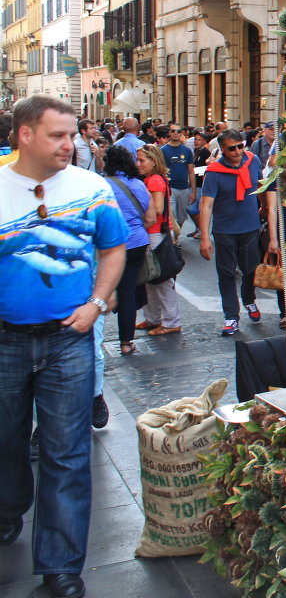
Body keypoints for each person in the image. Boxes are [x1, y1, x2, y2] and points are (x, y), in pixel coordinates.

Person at [0, 96, 127, 598]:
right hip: (4, 339)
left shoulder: (93, 188)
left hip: (67, 341)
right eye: (58, 135)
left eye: (72, 135)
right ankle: (9, 507)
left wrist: (97, 302)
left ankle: (60, 566)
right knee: (6, 441)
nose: (69, 145)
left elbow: (113, 247)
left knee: (66, 453)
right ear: (24, 134)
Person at [198, 130, 275, 336]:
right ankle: (231, 316)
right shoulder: (214, 172)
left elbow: (260, 185)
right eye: (232, 148)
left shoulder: (253, 159)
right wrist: (204, 237)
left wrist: (265, 208)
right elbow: (206, 206)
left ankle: (249, 300)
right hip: (225, 231)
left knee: (250, 269)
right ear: (222, 149)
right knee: (226, 274)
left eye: (241, 145)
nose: (238, 151)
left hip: (250, 227)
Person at [102, 144, 156, 356]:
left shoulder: (103, 185)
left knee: (105, 288)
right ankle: (126, 342)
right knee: (128, 291)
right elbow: (150, 218)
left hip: (110, 245)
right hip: (136, 243)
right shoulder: (139, 185)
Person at [135, 145, 182, 337]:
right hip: (156, 233)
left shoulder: (154, 181)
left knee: (160, 280)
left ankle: (171, 321)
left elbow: (158, 209)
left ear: (153, 161)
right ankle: (154, 318)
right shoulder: (153, 179)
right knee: (152, 279)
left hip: (155, 234)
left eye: (141, 160)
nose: (138, 164)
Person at [161, 123, 196, 234]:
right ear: (169, 133)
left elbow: (191, 171)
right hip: (170, 189)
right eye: (173, 131)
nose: (175, 133)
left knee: (181, 217)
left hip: (184, 188)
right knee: (172, 216)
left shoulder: (187, 151)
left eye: (178, 131)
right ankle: (174, 241)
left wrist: (193, 191)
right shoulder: (163, 150)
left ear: (182, 133)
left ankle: (176, 234)